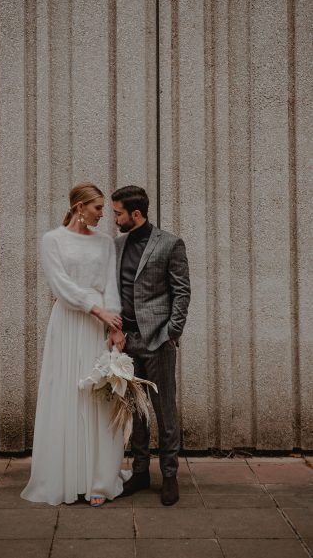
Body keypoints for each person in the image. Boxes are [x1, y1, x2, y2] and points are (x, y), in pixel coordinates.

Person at [20, 183, 130, 506]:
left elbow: (111, 284)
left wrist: (114, 326)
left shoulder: (105, 242)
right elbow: (61, 285)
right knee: (67, 394)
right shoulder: (52, 240)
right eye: (97, 208)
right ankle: (66, 477)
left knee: (101, 398)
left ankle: (99, 481)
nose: (103, 214)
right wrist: (97, 311)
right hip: (69, 323)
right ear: (80, 207)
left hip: (100, 325)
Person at [108, 185, 191, 506]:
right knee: (134, 412)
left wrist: (172, 332)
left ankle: (169, 475)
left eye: (118, 213)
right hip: (126, 342)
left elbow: (182, 292)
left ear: (136, 214)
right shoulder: (116, 245)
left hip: (158, 340)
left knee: (164, 411)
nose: (114, 218)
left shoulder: (170, 244)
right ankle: (140, 472)